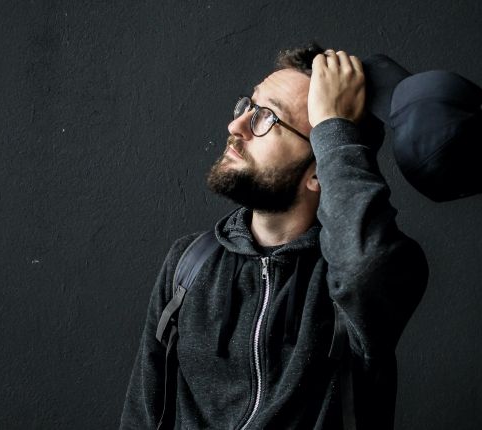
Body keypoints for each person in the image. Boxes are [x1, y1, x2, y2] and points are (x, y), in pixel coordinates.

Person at [120, 44, 428, 429]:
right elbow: (143, 416)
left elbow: (363, 266)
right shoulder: (189, 264)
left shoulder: (366, 281)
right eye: (248, 106)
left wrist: (335, 125)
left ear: (320, 170)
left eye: (267, 117)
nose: (236, 127)